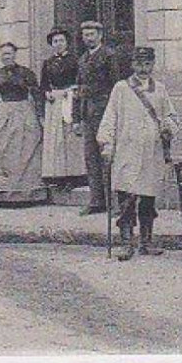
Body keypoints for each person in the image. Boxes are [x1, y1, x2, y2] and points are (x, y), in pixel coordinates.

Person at [96, 47, 178, 260]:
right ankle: (126, 242)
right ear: (132, 65)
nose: (144, 68)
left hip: (152, 152)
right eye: (140, 64)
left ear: (153, 64)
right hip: (127, 150)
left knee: (148, 198)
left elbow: (170, 115)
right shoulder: (121, 88)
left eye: (148, 64)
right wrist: (106, 144)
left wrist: (168, 127)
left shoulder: (159, 89)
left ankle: (147, 241)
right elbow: (110, 117)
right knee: (126, 197)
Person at [0, 42, 47, 203]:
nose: (6, 57)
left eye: (9, 53)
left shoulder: (26, 73)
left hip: (23, 112)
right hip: (4, 112)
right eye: (4, 54)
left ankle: (26, 193)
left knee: (24, 149)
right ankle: (4, 192)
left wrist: (40, 116)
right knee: (3, 149)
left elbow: (36, 94)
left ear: (15, 54)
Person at [76, 20, 121, 216]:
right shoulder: (82, 59)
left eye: (92, 34)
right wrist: (77, 117)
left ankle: (115, 203)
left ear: (100, 36)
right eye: (85, 35)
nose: (88, 38)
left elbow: (116, 86)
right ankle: (96, 201)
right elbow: (79, 90)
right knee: (91, 158)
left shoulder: (109, 56)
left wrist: (115, 114)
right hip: (88, 113)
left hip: (105, 112)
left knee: (108, 157)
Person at [39, 27, 83, 188]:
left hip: (70, 99)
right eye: (55, 41)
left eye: (61, 41)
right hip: (54, 102)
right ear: (51, 44)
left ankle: (75, 175)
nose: (58, 44)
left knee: (70, 137)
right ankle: (58, 176)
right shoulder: (48, 63)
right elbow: (43, 84)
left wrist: (71, 92)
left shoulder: (75, 60)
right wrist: (47, 93)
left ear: (67, 43)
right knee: (56, 139)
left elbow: (79, 81)